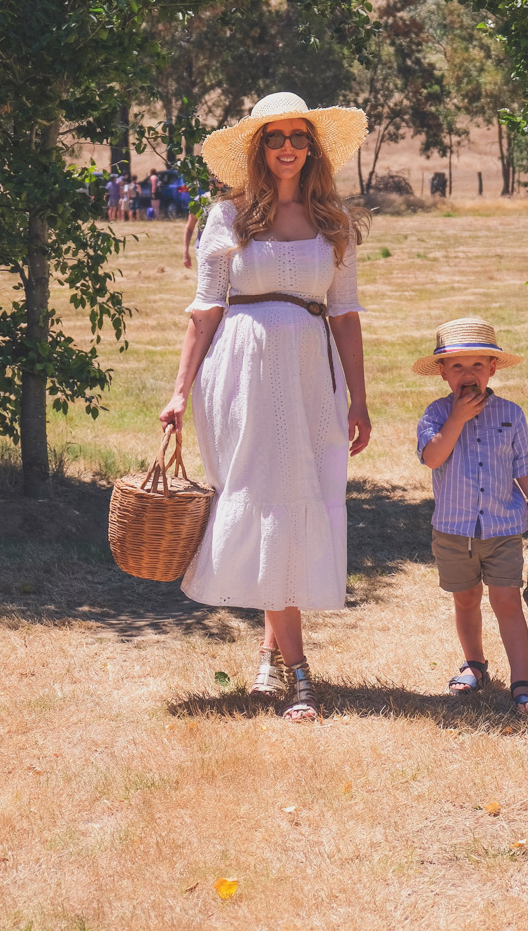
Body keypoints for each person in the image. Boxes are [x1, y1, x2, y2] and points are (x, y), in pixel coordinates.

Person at [160, 92, 371, 722]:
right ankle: (299, 672)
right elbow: (205, 311)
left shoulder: (333, 223)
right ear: (259, 148)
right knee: (265, 493)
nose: (287, 148)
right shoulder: (228, 217)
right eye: (275, 137)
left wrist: (360, 398)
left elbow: (347, 314)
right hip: (241, 372)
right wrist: (178, 389)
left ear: (311, 148)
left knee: (297, 494)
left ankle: (269, 657)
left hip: (312, 375)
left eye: (298, 138)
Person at [413, 317, 528, 716]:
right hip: (453, 530)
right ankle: (475, 664)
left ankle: (522, 679)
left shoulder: (510, 414)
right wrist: (457, 419)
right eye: (459, 367)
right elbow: (432, 457)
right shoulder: (435, 414)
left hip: (502, 529)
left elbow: (525, 468)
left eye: (478, 366)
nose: (469, 375)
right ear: (444, 374)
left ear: (492, 369)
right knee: (466, 601)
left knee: (507, 602)